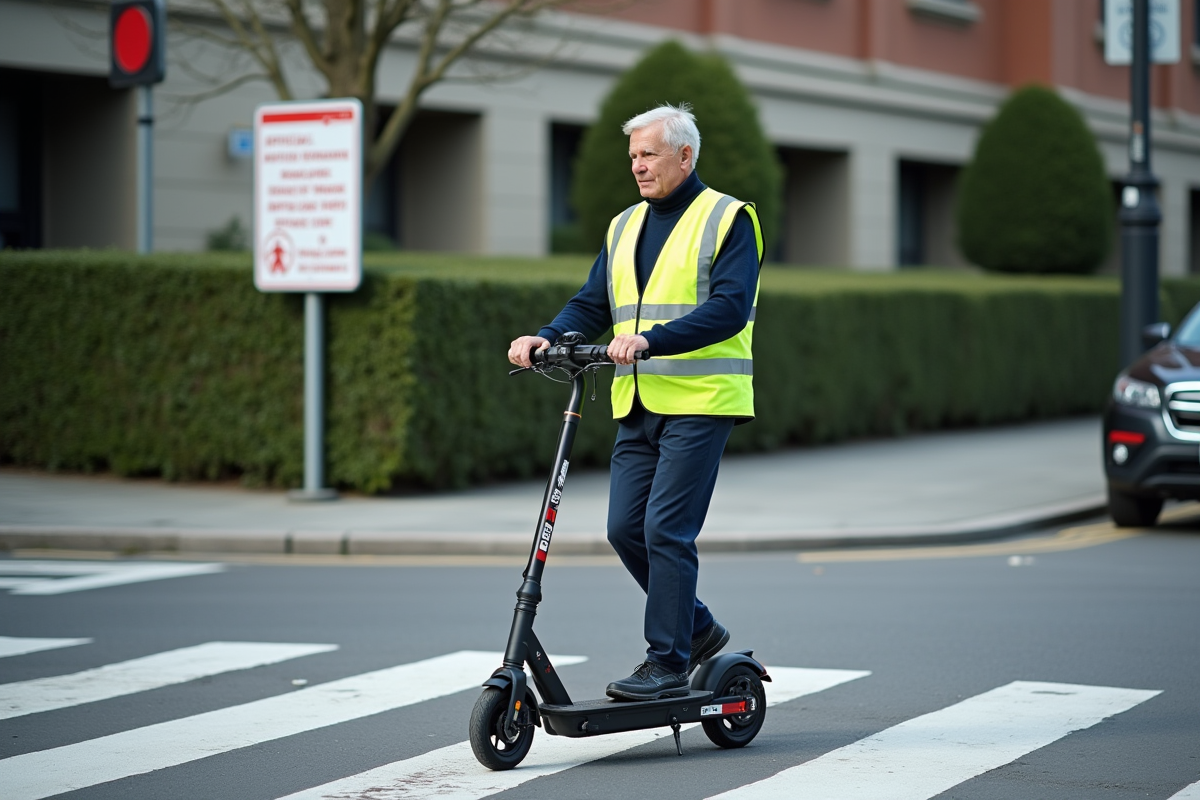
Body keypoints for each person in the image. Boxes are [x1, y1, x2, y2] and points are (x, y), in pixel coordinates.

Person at [508, 103, 763, 701]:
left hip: (702, 398)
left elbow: (729, 309)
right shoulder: (625, 225)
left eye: (648, 154)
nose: (638, 167)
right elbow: (593, 302)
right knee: (625, 528)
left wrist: (651, 341)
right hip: (639, 401)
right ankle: (698, 630)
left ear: (685, 155)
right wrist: (548, 335)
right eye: (632, 157)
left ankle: (667, 660)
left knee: (666, 530)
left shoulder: (728, 219)